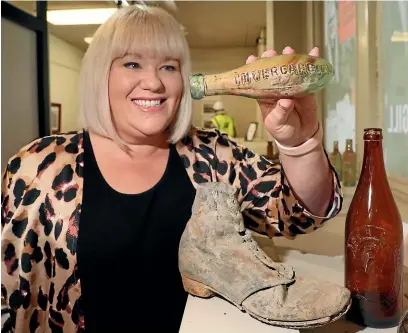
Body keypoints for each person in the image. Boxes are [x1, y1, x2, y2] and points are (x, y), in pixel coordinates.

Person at [1, 4, 342, 333]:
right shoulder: (38, 169)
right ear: (99, 76)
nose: (154, 82)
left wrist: (301, 142)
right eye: (132, 64)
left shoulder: (213, 155)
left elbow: (296, 213)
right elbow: (10, 298)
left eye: (168, 66)